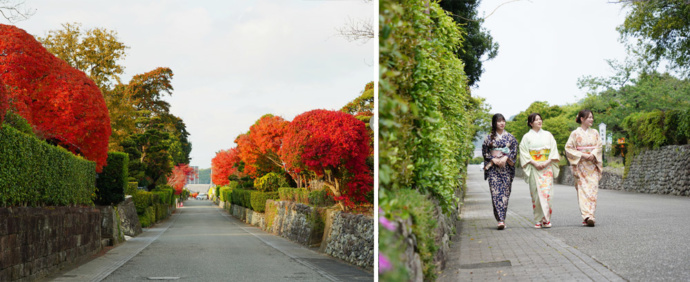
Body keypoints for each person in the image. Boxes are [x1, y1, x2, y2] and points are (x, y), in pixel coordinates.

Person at [519, 113, 560, 229]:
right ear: (530, 123)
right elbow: (524, 153)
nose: (539, 121)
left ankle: (546, 219)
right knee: (536, 194)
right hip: (534, 168)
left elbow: (553, 150)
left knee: (548, 194)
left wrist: (547, 162)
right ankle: (538, 219)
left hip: (547, 168)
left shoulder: (548, 135)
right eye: (536, 120)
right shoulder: (526, 137)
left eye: (540, 119)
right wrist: (534, 162)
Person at [565, 109, 602, 227]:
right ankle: (586, 215)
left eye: (592, 117)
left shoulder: (595, 132)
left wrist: (593, 154)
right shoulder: (575, 134)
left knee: (593, 190)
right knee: (582, 190)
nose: (591, 119)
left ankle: (591, 215)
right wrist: (583, 155)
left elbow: (599, 146)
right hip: (580, 165)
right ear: (582, 119)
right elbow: (569, 148)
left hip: (592, 165)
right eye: (589, 117)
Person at [482, 114, 518, 230]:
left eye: (503, 121)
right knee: (495, 193)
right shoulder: (488, 138)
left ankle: (502, 217)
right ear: (494, 123)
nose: (502, 123)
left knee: (505, 194)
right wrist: (493, 159)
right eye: (499, 121)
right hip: (493, 169)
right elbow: (485, 152)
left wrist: (505, 158)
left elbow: (514, 151)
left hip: (506, 168)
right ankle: (500, 220)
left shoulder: (511, 138)